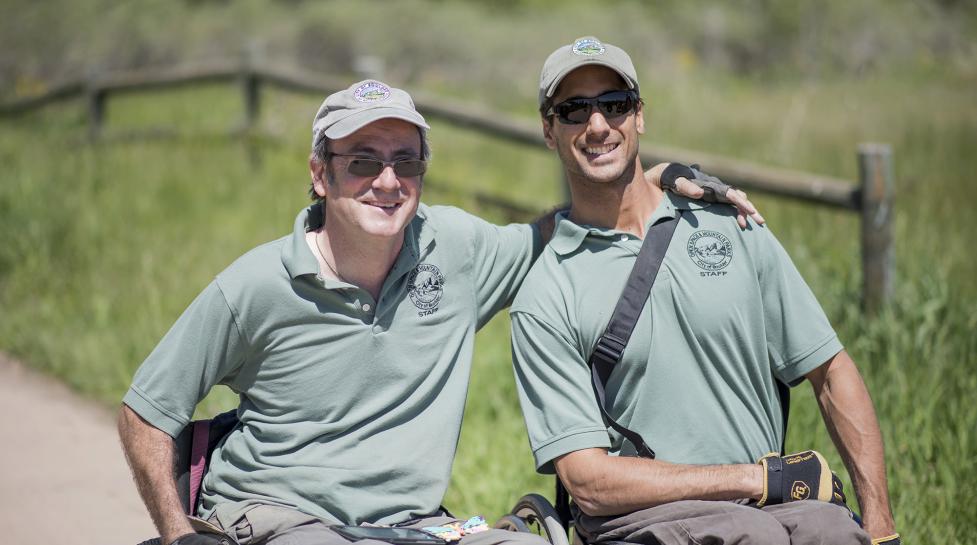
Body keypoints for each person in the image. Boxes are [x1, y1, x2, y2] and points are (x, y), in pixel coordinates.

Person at [118, 79, 756, 545]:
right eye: (363, 161)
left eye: (407, 160)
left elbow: (555, 232)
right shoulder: (255, 284)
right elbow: (146, 412)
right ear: (320, 174)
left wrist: (653, 177)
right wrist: (178, 537)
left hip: (412, 528)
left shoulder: (452, 247)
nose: (388, 181)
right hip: (282, 517)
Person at [510, 37, 900, 545]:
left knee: (831, 530)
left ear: (639, 116)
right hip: (643, 517)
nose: (598, 125)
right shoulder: (547, 290)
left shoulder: (731, 226)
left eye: (614, 104)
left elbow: (830, 372)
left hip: (766, 502)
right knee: (748, 534)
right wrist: (758, 479)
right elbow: (588, 482)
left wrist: (881, 527)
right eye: (573, 110)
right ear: (548, 129)